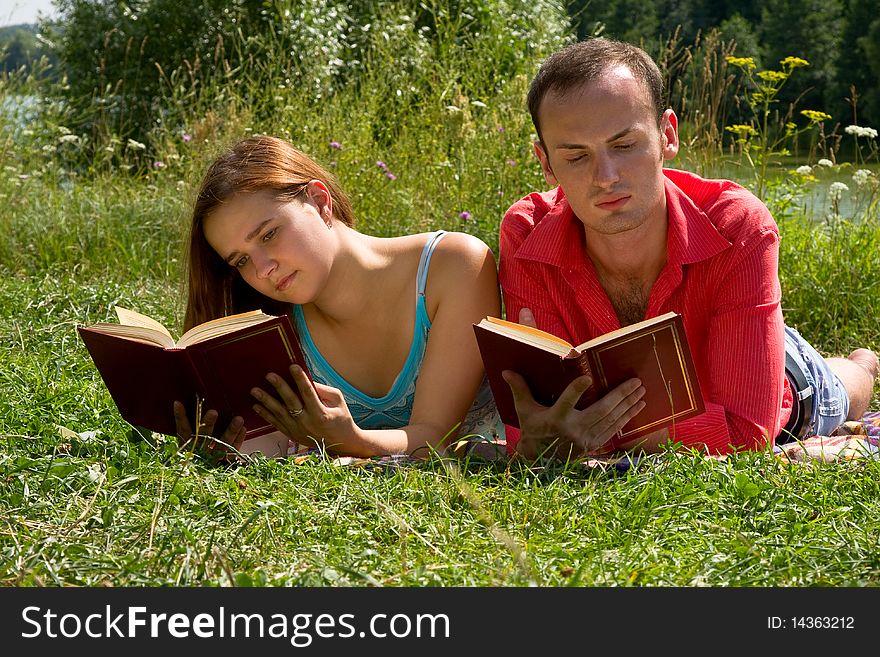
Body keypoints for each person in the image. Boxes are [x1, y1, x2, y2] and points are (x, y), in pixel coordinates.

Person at [498, 37, 878, 460]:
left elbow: (749, 433)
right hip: (710, 376)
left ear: (667, 135)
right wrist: (553, 431)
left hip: (779, 372)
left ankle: (865, 362)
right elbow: (534, 425)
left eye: (624, 145)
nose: (605, 177)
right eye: (576, 156)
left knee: (841, 389)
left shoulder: (738, 226)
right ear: (546, 162)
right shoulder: (527, 231)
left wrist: (588, 435)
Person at [173, 135, 501, 459]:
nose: (262, 269)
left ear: (319, 201)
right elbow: (274, 454)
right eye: (240, 260)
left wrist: (353, 440)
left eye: (269, 234)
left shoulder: (453, 266)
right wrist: (224, 447)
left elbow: (436, 438)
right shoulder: (272, 328)